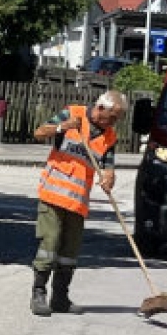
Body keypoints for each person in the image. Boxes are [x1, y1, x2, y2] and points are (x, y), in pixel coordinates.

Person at [30, 91, 127, 317]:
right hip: (53, 195)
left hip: (78, 201)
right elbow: (39, 133)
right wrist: (62, 127)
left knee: (69, 252)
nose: (112, 123)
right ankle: (39, 293)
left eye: (117, 119)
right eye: (111, 117)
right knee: (50, 244)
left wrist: (109, 177)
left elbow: (109, 167)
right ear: (100, 108)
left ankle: (61, 298)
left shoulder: (108, 137)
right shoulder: (73, 114)